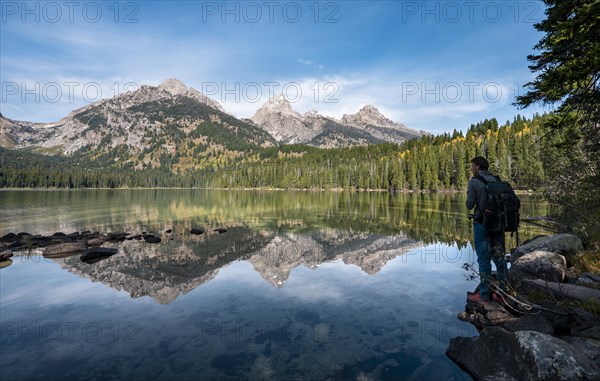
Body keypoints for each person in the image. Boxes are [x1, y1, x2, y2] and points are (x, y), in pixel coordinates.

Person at [466, 156, 506, 303]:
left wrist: (471, 194)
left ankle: (483, 295)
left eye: (472, 165)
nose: (471, 168)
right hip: (499, 224)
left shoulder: (474, 182)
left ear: (477, 166)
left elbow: (469, 205)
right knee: (500, 258)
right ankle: (503, 293)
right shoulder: (497, 180)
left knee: (484, 259)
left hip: (482, 224)